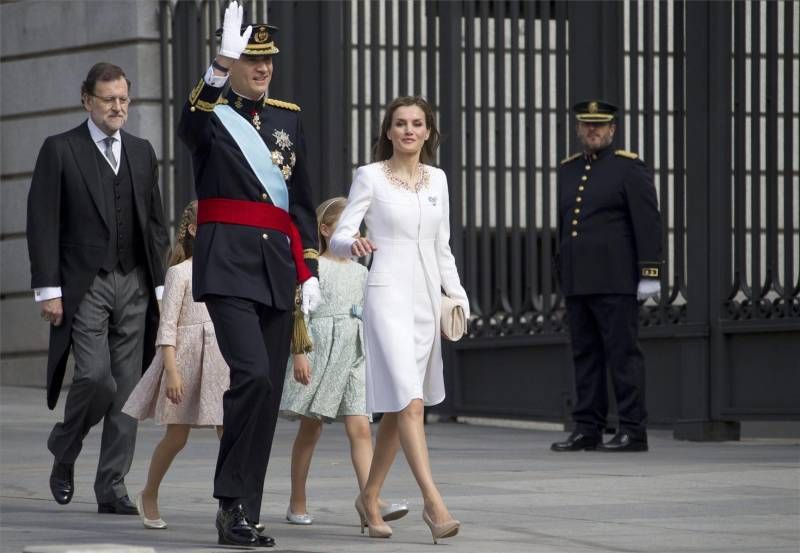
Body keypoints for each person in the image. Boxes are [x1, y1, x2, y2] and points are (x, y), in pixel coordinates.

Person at [176, 1, 321, 547]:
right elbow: (190, 124)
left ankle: (242, 512)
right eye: (251, 60)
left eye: (268, 61)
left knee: (264, 393)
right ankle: (230, 497)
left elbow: (301, 201)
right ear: (234, 60)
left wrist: (307, 268)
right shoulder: (210, 111)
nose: (262, 69)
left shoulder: (289, 116)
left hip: (276, 267)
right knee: (253, 375)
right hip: (227, 263)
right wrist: (217, 65)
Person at [26, 62, 169, 515]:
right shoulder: (60, 150)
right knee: (94, 377)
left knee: (128, 390)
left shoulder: (143, 152)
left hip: (136, 282)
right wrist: (48, 289)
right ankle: (66, 445)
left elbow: (155, 226)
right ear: (87, 99)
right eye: (109, 99)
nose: (118, 107)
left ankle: (112, 487)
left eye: (124, 99)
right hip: (83, 284)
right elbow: (42, 223)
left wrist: (164, 286)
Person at [329, 96, 469, 544]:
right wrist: (353, 246)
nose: (409, 130)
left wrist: (458, 295)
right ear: (387, 131)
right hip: (386, 296)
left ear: (429, 132)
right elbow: (337, 236)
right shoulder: (369, 176)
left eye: (417, 124)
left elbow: (442, 245)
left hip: (427, 301)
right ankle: (434, 503)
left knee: (403, 404)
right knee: (409, 403)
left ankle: (369, 498)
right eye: (400, 124)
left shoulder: (439, 180)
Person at [279, 197, 409, 528]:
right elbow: (301, 312)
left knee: (361, 427)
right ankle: (297, 500)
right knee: (312, 427)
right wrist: (300, 353)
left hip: (355, 351)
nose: (355, 235)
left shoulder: (362, 270)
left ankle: (371, 502)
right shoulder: (313, 267)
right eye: (346, 228)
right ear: (325, 230)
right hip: (320, 349)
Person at [551, 100, 662, 453]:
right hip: (578, 279)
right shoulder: (568, 170)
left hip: (616, 280)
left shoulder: (628, 168)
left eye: (600, 125)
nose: (593, 131)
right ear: (578, 129)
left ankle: (633, 429)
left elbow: (648, 222)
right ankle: (588, 428)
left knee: (622, 355)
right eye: (587, 125)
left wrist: (650, 273)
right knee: (585, 356)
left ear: (612, 129)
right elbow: (564, 227)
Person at [121, 200, 230, 529]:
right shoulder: (179, 273)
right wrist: (171, 371)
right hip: (183, 361)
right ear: (195, 229)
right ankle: (149, 493)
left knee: (230, 435)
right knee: (177, 437)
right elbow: (166, 327)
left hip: (220, 363)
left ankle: (234, 507)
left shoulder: (227, 270)